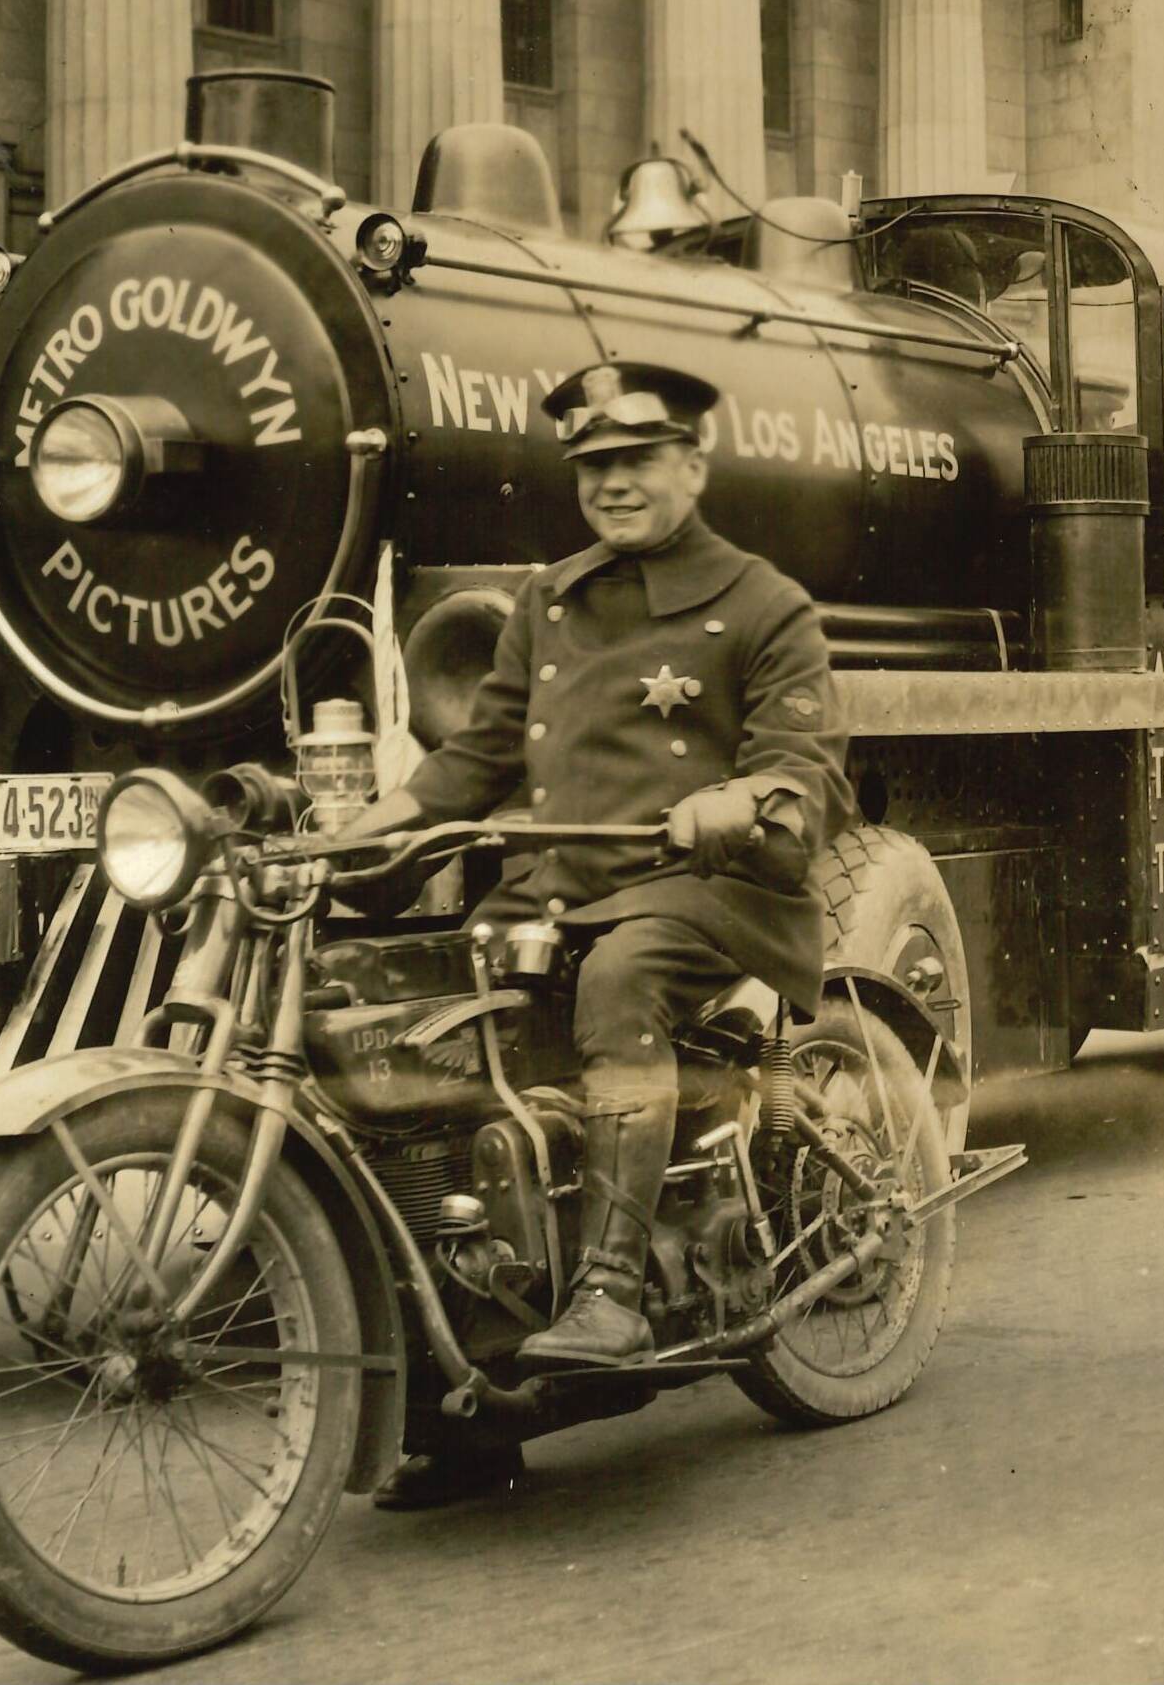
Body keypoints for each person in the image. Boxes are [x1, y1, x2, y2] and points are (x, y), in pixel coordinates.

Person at [341, 360, 849, 1497]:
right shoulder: (548, 598)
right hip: (558, 885)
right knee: (419, 1027)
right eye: (594, 466)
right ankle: (465, 1407)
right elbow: (476, 758)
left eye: (637, 461)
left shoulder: (767, 603)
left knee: (619, 979)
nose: (614, 485)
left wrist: (744, 798)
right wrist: (372, 828)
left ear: (693, 464)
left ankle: (612, 1290)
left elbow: (803, 770)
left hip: (708, 893)